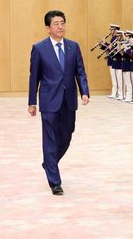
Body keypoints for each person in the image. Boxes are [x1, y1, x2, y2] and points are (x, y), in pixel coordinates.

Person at [28, 10, 89, 195]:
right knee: (50, 138)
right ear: (48, 28)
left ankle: (49, 162)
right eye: (56, 23)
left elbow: (80, 71)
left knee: (67, 135)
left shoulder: (73, 46)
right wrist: (32, 102)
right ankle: (55, 182)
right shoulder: (39, 48)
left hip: (69, 100)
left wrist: (84, 91)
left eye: (62, 22)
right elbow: (34, 77)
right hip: (49, 101)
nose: (60, 26)